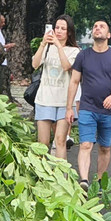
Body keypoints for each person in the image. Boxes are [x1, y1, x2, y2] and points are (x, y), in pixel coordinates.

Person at [66, 19, 111, 189]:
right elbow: (74, 81)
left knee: (105, 147)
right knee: (86, 144)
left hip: (108, 110)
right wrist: (69, 108)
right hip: (87, 107)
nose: (97, 28)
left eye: (101, 26)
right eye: (95, 26)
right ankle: (84, 180)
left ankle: (99, 180)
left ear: (108, 35)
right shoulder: (83, 55)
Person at [33, 15, 79, 160]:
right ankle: (43, 177)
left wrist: (59, 46)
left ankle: (62, 178)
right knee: (43, 143)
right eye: (57, 28)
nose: (58, 31)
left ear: (69, 32)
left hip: (64, 102)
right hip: (44, 99)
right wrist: (43, 44)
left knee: (60, 140)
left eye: (63, 28)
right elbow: (35, 64)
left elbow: (67, 67)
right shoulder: (47, 48)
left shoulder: (74, 51)